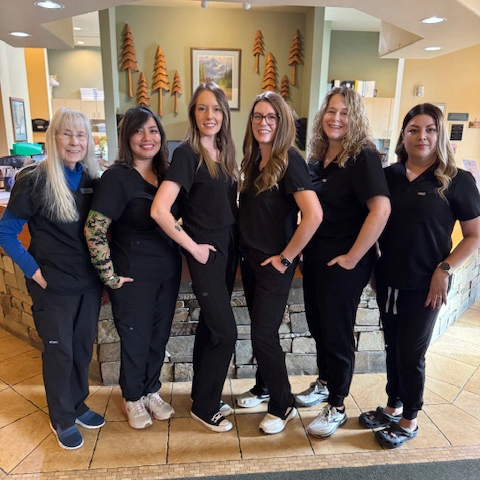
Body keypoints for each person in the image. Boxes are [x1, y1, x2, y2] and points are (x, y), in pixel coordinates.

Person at [359, 103, 480, 448]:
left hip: (427, 285)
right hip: (388, 279)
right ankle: (392, 405)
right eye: (414, 129)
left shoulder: (457, 181)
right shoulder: (389, 176)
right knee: (393, 348)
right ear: (403, 135)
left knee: (412, 352)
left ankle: (410, 419)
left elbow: (474, 235)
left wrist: (445, 269)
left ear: (440, 135)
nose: (422, 136)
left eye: (429, 129)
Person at [0, 108, 104, 450]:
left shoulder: (90, 179)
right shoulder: (33, 179)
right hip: (53, 286)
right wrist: (35, 273)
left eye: (81, 135)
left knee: (80, 349)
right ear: (53, 137)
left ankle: (77, 404)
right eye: (67, 134)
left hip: (87, 284)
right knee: (58, 353)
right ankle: (60, 415)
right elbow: (6, 233)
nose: (75, 141)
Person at [300, 86, 391, 438]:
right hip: (316, 258)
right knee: (318, 326)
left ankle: (337, 404)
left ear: (355, 119)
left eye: (344, 112)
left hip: (345, 262)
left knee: (337, 332)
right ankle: (324, 382)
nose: (336, 118)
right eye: (331, 111)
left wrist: (354, 257)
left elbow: (381, 209)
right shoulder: (318, 161)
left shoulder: (362, 157)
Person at [85, 106, 181, 430]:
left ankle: (151, 390)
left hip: (167, 270)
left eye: (153, 130)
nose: (147, 137)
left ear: (161, 136)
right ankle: (131, 397)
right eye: (139, 130)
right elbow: (94, 229)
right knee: (135, 338)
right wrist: (108, 275)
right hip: (132, 271)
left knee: (158, 336)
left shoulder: (168, 174)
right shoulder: (117, 177)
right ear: (127, 136)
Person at [151, 82, 238, 433]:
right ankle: (204, 408)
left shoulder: (224, 151)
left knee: (210, 329)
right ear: (193, 114)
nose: (210, 115)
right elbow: (159, 210)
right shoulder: (188, 154)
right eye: (202, 108)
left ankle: (205, 395)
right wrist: (194, 247)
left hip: (230, 249)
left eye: (216, 109)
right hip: (207, 254)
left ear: (224, 115)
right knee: (226, 332)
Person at [235, 91, 323, 434]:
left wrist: (286, 257)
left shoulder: (289, 160)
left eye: (271, 117)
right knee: (260, 328)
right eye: (258, 116)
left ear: (282, 121)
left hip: (274, 264)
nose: (263, 122)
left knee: (263, 334)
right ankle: (264, 386)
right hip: (252, 259)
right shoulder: (254, 159)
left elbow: (313, 215)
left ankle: (282, 403)